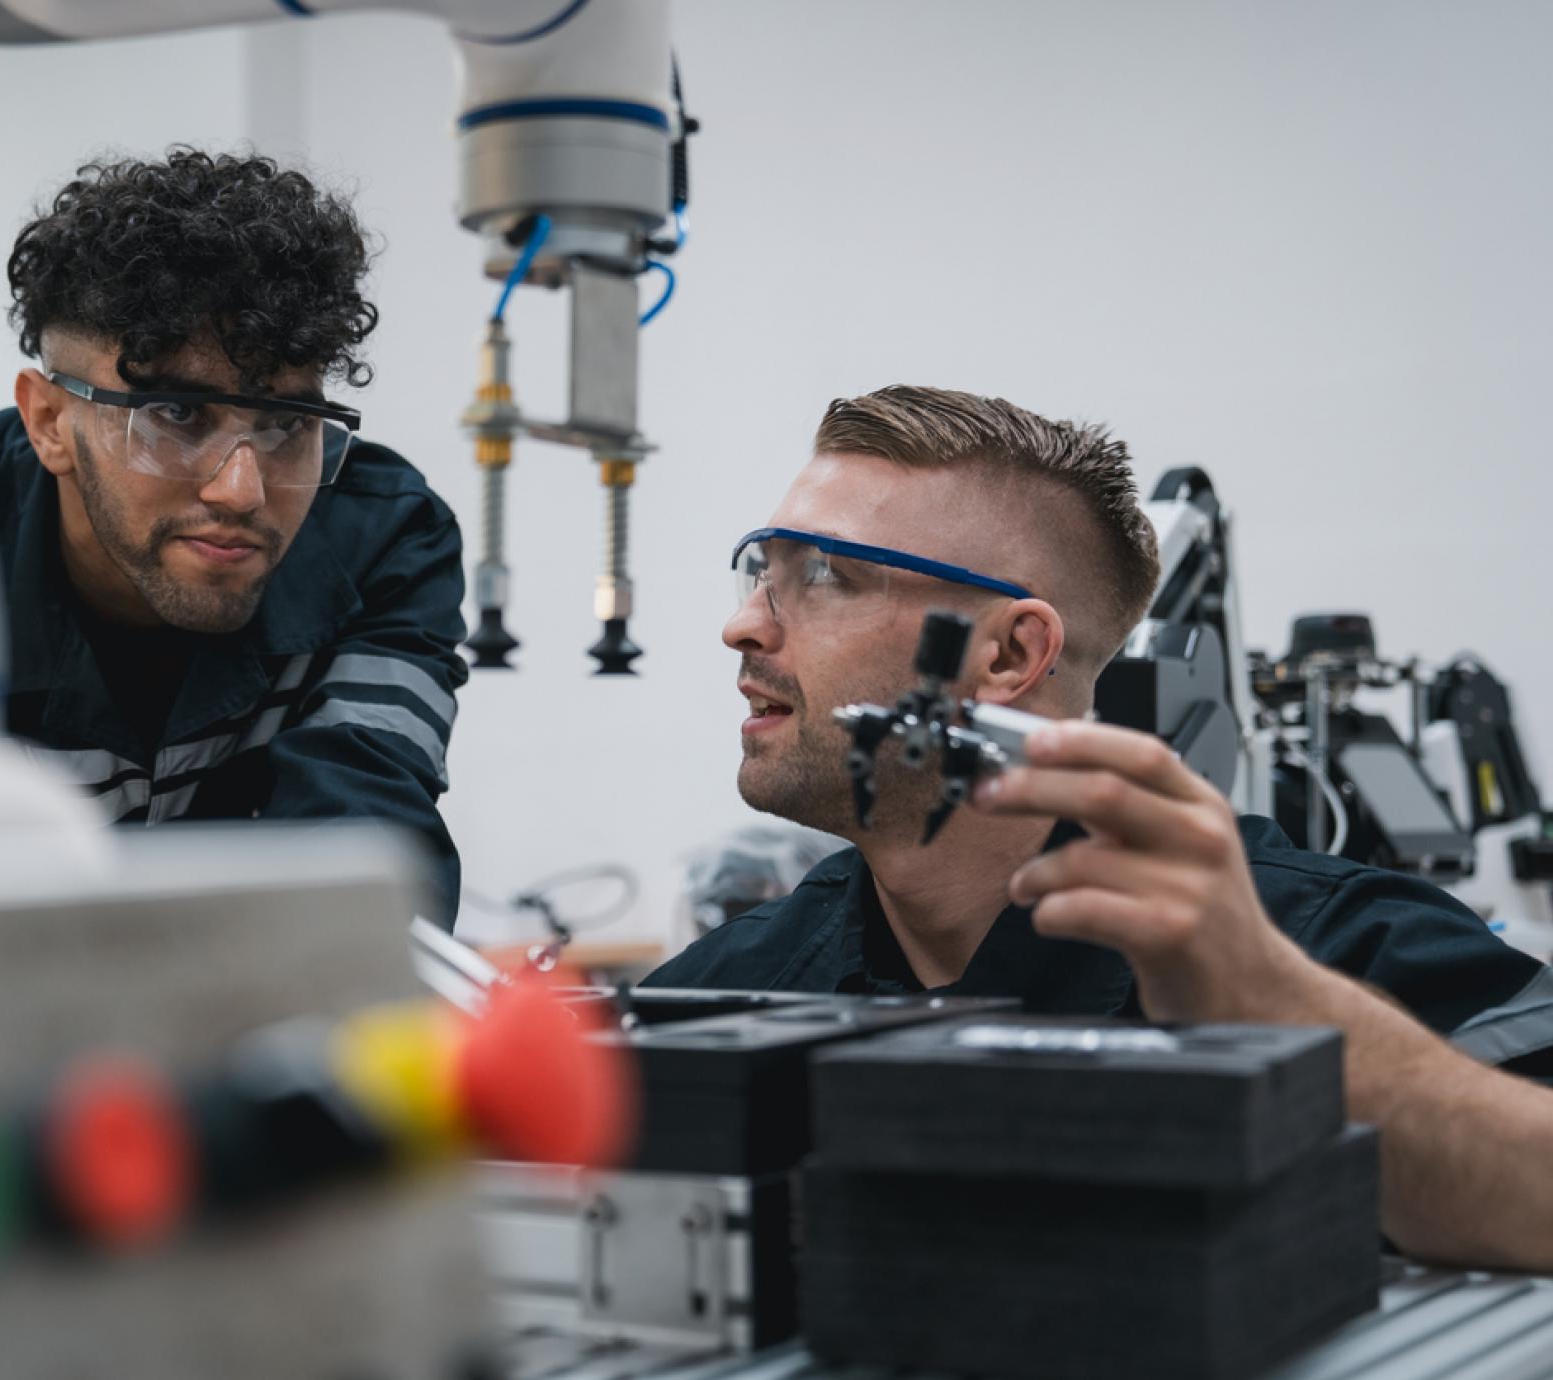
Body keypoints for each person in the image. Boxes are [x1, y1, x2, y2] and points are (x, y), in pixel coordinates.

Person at [647, 384, 1553, 1268]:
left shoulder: (1331, 943)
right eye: (759, 575)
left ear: (1006, 654)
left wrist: (1273, 1002)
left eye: (823, 575)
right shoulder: (732, 989)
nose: (741, 626)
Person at [0, 148, 467, 921]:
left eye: (284, 424)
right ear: (48, 423)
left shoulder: (383, 540)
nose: (242, 489)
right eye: (175, 416)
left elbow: (365, 862)